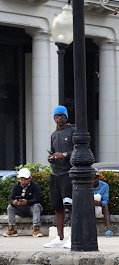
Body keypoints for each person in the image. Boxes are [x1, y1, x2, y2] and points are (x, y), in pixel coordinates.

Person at [44, 105, 75, 247]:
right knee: (58, 207)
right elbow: (53, 151)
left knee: (70, 206)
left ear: (66, 117)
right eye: (57, 116)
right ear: (54, 118)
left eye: (62, 115)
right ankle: (60, 237)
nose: (59, 118)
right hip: (55, 173)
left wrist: (64, 155)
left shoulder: (73, 131)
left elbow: (79, 152)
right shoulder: (53, 134)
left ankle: (73, 237)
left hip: (67, 173)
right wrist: (51, 157)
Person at [6, 168, 43, 237]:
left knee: (36, 206)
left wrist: (27, 202)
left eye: (25, 179)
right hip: (21, 208)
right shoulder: (17, 186)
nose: (23, 182)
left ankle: (36, 228)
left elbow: (38, 199)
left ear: (30, 178)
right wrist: (14, 202)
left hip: (32, 208)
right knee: (10, 207)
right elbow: (11, 199)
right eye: (21, 179)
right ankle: (12, 227)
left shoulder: (35, 185)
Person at [94, 172, 113, 237]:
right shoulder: (86, 186)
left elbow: (105, 200)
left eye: (96, 177)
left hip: (99, 206)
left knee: (105, 206)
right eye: (92, 177)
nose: (94, 179)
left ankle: (108, 230)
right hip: (88, 206)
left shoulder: (104, 186)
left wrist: (100, 203)